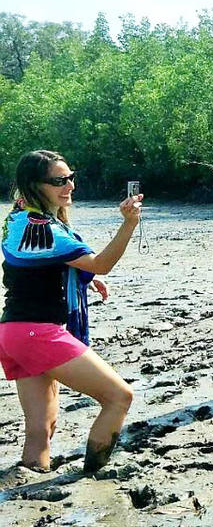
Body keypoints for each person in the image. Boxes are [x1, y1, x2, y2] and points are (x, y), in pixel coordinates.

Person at [0, 150, 139, 473]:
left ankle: (29, 484)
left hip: (12, 332)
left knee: (42, 427)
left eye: (71, 177)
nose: (69, 186)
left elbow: (33, 267)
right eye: (59, 181)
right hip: (37, 332)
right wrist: (129, 224)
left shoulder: (18, 218)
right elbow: (101, 264)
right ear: (34, 185)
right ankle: (91, 476)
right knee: (119, 397)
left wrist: (83, 278)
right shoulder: (43, 227)